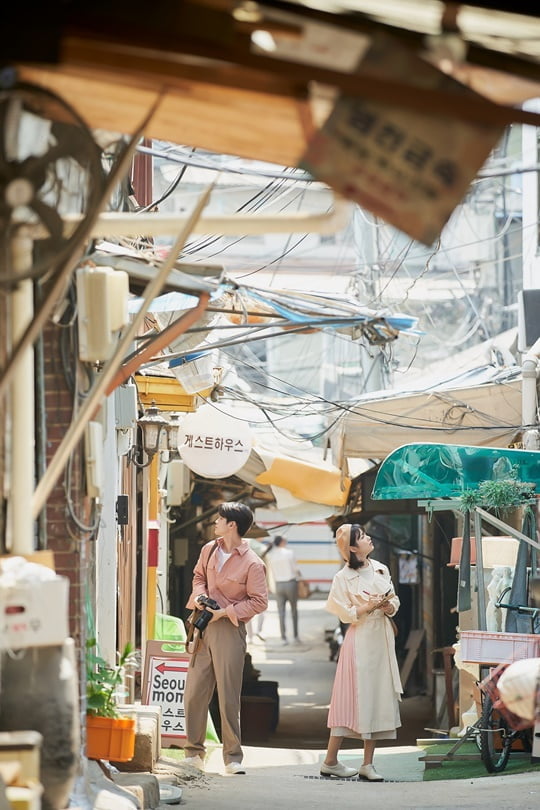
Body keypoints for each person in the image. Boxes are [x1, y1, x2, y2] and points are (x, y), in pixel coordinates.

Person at [183, 501, 268, 775]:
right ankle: (193, 752)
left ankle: (232, 757)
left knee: (228, 695)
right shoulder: (209, 549)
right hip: (202, 625)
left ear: (233, 525)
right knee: (194, 692)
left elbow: (259, 602)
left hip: (229, 629)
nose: (215, 522)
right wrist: (199, 596)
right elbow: (198, 577)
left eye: (220, 519)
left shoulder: (253, 563)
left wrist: (225, 613)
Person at [320, 523, 402, 782]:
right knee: (351, 697)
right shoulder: (342, 578)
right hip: (360, 641)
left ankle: (368, 763)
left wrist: (389, 607)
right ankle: (330, 760)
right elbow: (341, 612)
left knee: (377, 697)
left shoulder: (381, 568)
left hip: (382, 638)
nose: (368, 538)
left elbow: (395, 599)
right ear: (353, 548)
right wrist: (365, 607)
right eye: (362, 537)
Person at [263, 535, 301, 644]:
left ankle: (283, 638)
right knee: (294, 611)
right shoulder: (289, 553)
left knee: (281, 613)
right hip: (291, 583)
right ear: (282, 542)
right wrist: (301, 577)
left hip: (278, 585)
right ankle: (295, 636)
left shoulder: (270, 555)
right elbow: (296, 569)